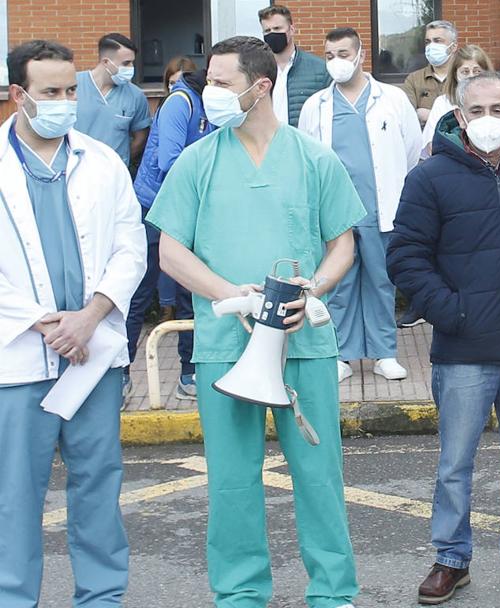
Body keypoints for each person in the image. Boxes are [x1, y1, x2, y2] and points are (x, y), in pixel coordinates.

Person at [146, 36, 364, 608]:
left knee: (319, 478)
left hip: (305, 343)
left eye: (219, 82)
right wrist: (228, 295)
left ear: (259, 85)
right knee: (232, 483)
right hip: (224, 344)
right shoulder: (198, 160)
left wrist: (312, 288)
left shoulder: (314, 157)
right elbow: (171, 252)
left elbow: (344, 244)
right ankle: (240, 594)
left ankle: (333, 595)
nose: (208, 93)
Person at [389, 71, 500, 606]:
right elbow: (405, 257)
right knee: (455, 464)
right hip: (463, 349)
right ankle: (450, 558)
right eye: (477, 109)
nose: (489, 118)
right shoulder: (430, 177)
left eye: (499, 108)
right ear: (459, 116)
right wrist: (451, 311)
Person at [0, 39, 146, 607]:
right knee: (16, 496)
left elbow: (130, 248)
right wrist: (44, 323)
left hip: (93, 355)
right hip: (18, 360)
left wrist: (89, 318)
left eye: (70, 91)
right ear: (19, 95)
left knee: (98, 488)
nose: (66, 102)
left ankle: (102, 597)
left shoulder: (101, 160)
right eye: (51, 93)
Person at [299, 27, 422, 383]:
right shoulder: (316, 106)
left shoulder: (393, 99)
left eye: (342, 53)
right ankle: (342, 354)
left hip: (380, 208)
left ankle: (385, 353)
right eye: (329, 55)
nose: (336, 62)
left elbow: (412, 149)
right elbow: (308, 159)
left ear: (360, 54)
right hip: (336, 212)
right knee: (339, 284)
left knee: (382, 282)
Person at [129, 67, 215, 401]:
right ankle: (119, 375)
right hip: (155, 207)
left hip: (189, 209)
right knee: (139, 292)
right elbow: (170, 161)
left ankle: (189, 373)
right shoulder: (182, 102)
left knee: (189, 294)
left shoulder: (213, 107)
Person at [156, 55, 197, 324]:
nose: (176, 89)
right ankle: (164, 310)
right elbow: (168, 160)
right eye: (171, 83)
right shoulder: (176, 106)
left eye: (180, 82)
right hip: (161, 198)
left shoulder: (197, 106)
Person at [74, 33, 151, 169]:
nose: (131, 68)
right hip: (76, 169)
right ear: (106, 62)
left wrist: (117, 161)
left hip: (115, 174)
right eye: (126, 63)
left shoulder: (135, 95)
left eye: (132, 62)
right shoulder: (73, 87)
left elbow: (140, 138)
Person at [258, 4, 331, 127]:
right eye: (267, 30)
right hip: (267, 143)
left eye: (277, 28)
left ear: (291, 30)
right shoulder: (257, 70)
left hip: (302, 142)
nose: (272, 34)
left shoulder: (320, 69)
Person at [420, 44, 493, 157]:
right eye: (465, 72)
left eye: (477, 71)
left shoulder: (496, 103)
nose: (471, 76)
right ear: (455, 74)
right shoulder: (443, 103)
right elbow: (431, 145)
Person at [403, 20, 458, 127]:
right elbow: (407, 116)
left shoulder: (465, 78)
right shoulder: (414, 80)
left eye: (437, 41)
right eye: (428, 42)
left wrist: (429, 115)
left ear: (453, 47)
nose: (431, 46)